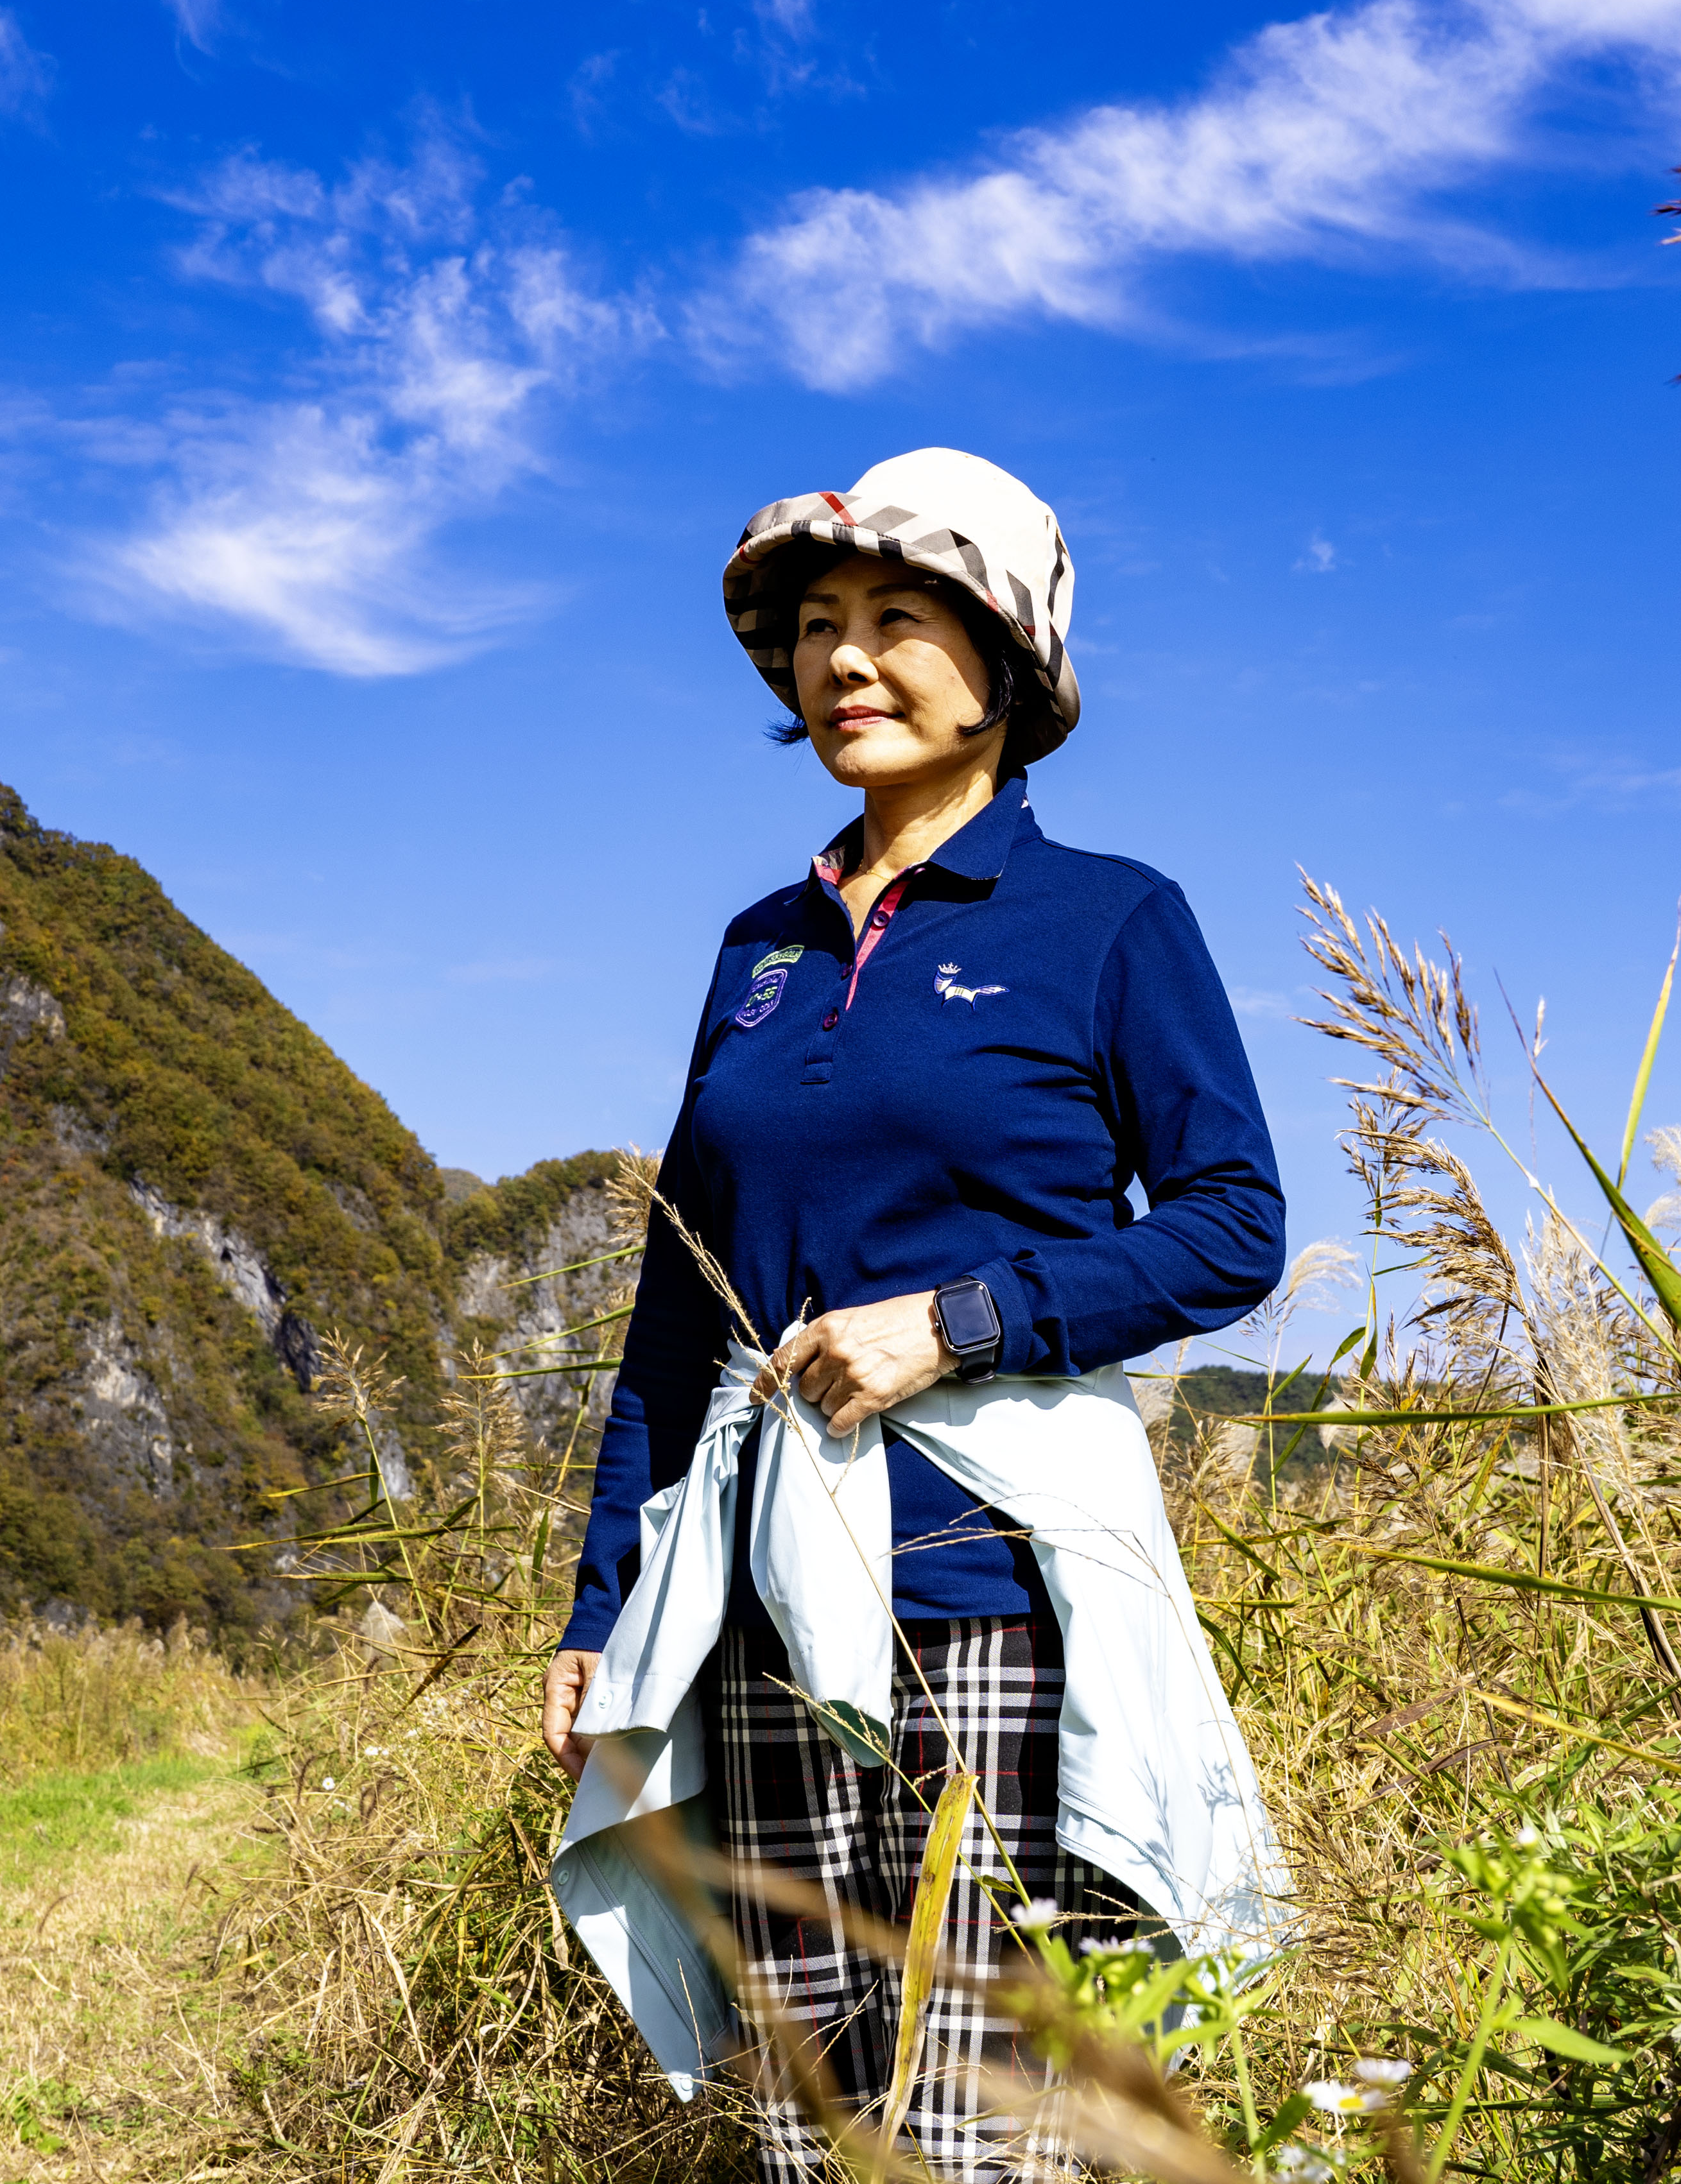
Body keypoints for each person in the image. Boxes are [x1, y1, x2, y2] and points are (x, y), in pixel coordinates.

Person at [539, 448, 1294, 2180]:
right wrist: (602, 1605)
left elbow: (1233, 1227)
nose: (846, 660)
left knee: (986, 2130)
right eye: (818, 626)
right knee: (810, 2126)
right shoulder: (758, 949)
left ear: (1006, 661)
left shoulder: (1107, 920)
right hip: (753, 1610)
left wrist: (955, 1322)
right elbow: (679, 1307)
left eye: (896, 617)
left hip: (994, 1606)